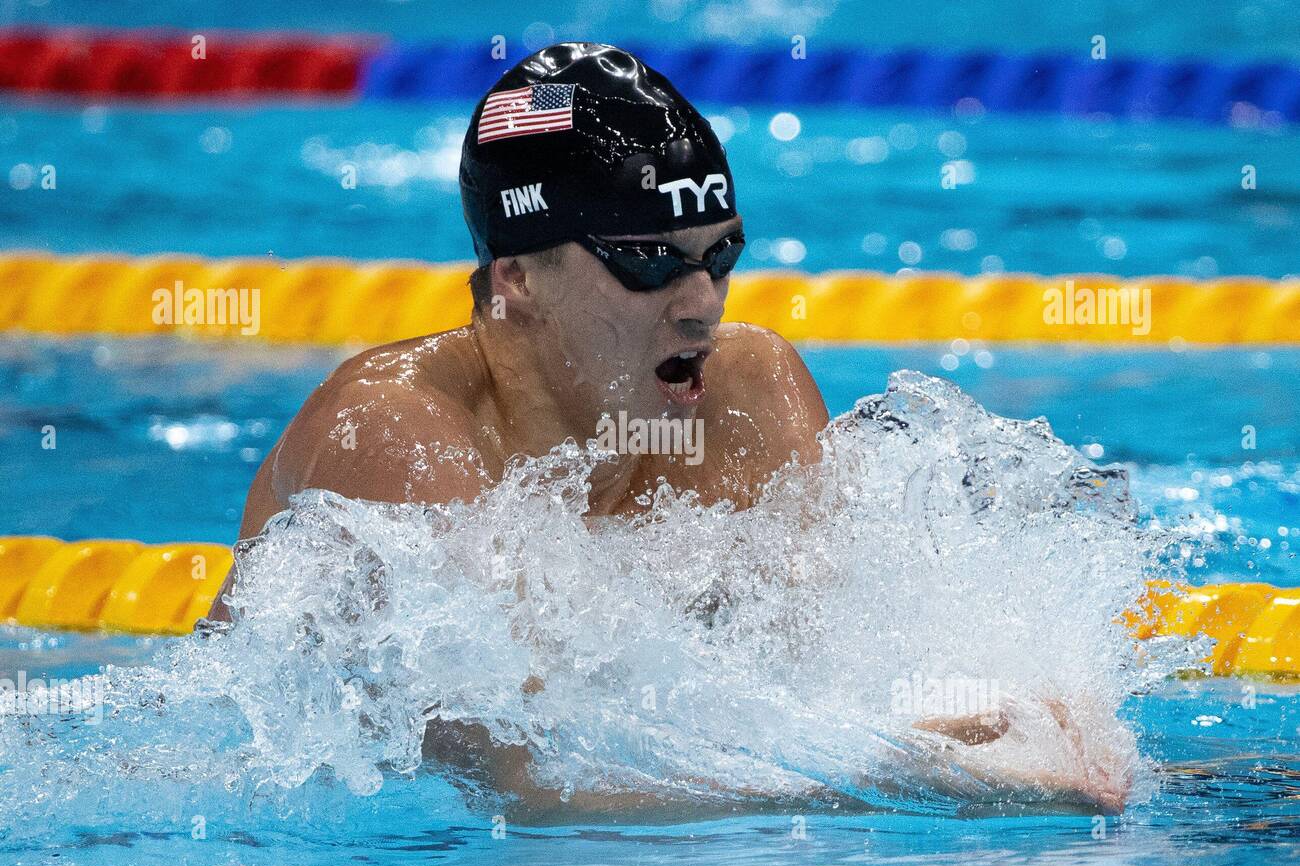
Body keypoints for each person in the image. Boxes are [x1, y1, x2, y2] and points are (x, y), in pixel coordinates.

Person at [209, 42, 1129, 818]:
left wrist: (1000, 713)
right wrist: (934, 784)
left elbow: (821, 684)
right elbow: (536, 781)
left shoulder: (748, 394)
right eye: (649, 262)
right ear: (519, 279)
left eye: (718, 255)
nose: (702, 307)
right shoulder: (400, 437)